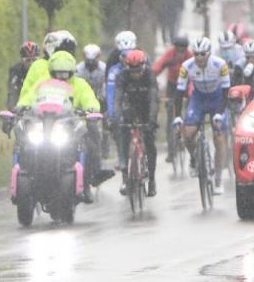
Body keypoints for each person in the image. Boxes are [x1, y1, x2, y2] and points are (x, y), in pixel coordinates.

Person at [18, 51, 111, 203]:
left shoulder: (80, 85)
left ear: (72, 72)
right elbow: (28, 97)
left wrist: (92, 109)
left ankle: (87, 182)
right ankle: (26, 171)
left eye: (65, 74)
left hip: (70, 126)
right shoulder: (42, 85)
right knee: (25, 142)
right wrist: (21, 106)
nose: (61, 77)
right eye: (57, 74)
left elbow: (90, 99)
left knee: (89, 145)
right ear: (51, 72)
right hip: (44, 125)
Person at [174, 37, 231, 193]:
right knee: (188, 133)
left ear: (209, 53)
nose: (199, 57)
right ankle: (194, 158)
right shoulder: (186, 66)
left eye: (202, 54)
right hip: (198, 98)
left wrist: (219, 113)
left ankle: (218, 179)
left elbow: (227, 92)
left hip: (218, 98)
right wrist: (177, 116)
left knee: (219, 137)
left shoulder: (220, 65)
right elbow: (179, 93)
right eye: (196, 54)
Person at [114, 50, 159, 197]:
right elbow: (118, 99)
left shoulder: (150, 75)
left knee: (150, 141)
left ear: (144, 67)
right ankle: (125, 176)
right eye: (132, 71)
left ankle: (151, 179)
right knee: (123, 134)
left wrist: (152, 120)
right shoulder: (122, 76)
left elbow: (154, 100)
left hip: (146, 108)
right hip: (131, 107)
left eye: (138, 71)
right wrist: (116, 118)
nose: (135, 74)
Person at [152, 35, 193, 162]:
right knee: (171, 116)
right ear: (175, 48)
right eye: (178, 49)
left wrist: (191, 94)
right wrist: (150, 77)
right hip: (173, 85)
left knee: (191, 112)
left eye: (183, 50)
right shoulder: (170, 54)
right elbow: (158, 67)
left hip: (187, 84)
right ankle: (171, 151)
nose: (180, 52)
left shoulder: (190, 56)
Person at [76, 44, 108, 157]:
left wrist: (105, 101)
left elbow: (107, 85)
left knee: (105, 123)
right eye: (88, 61)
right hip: (83, 100)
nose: (90, 64)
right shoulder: (78, 69)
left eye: (93, 61)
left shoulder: (104, 69)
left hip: (100, 98)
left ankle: (104, 149)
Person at [7, 41, 40, 111]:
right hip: (22, 108)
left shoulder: (44, 69)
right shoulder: (16, 71)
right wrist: (12, 109)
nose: (31, 63)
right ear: (22, 60)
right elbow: (12, 92)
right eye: (28, 60)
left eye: (34, 60)